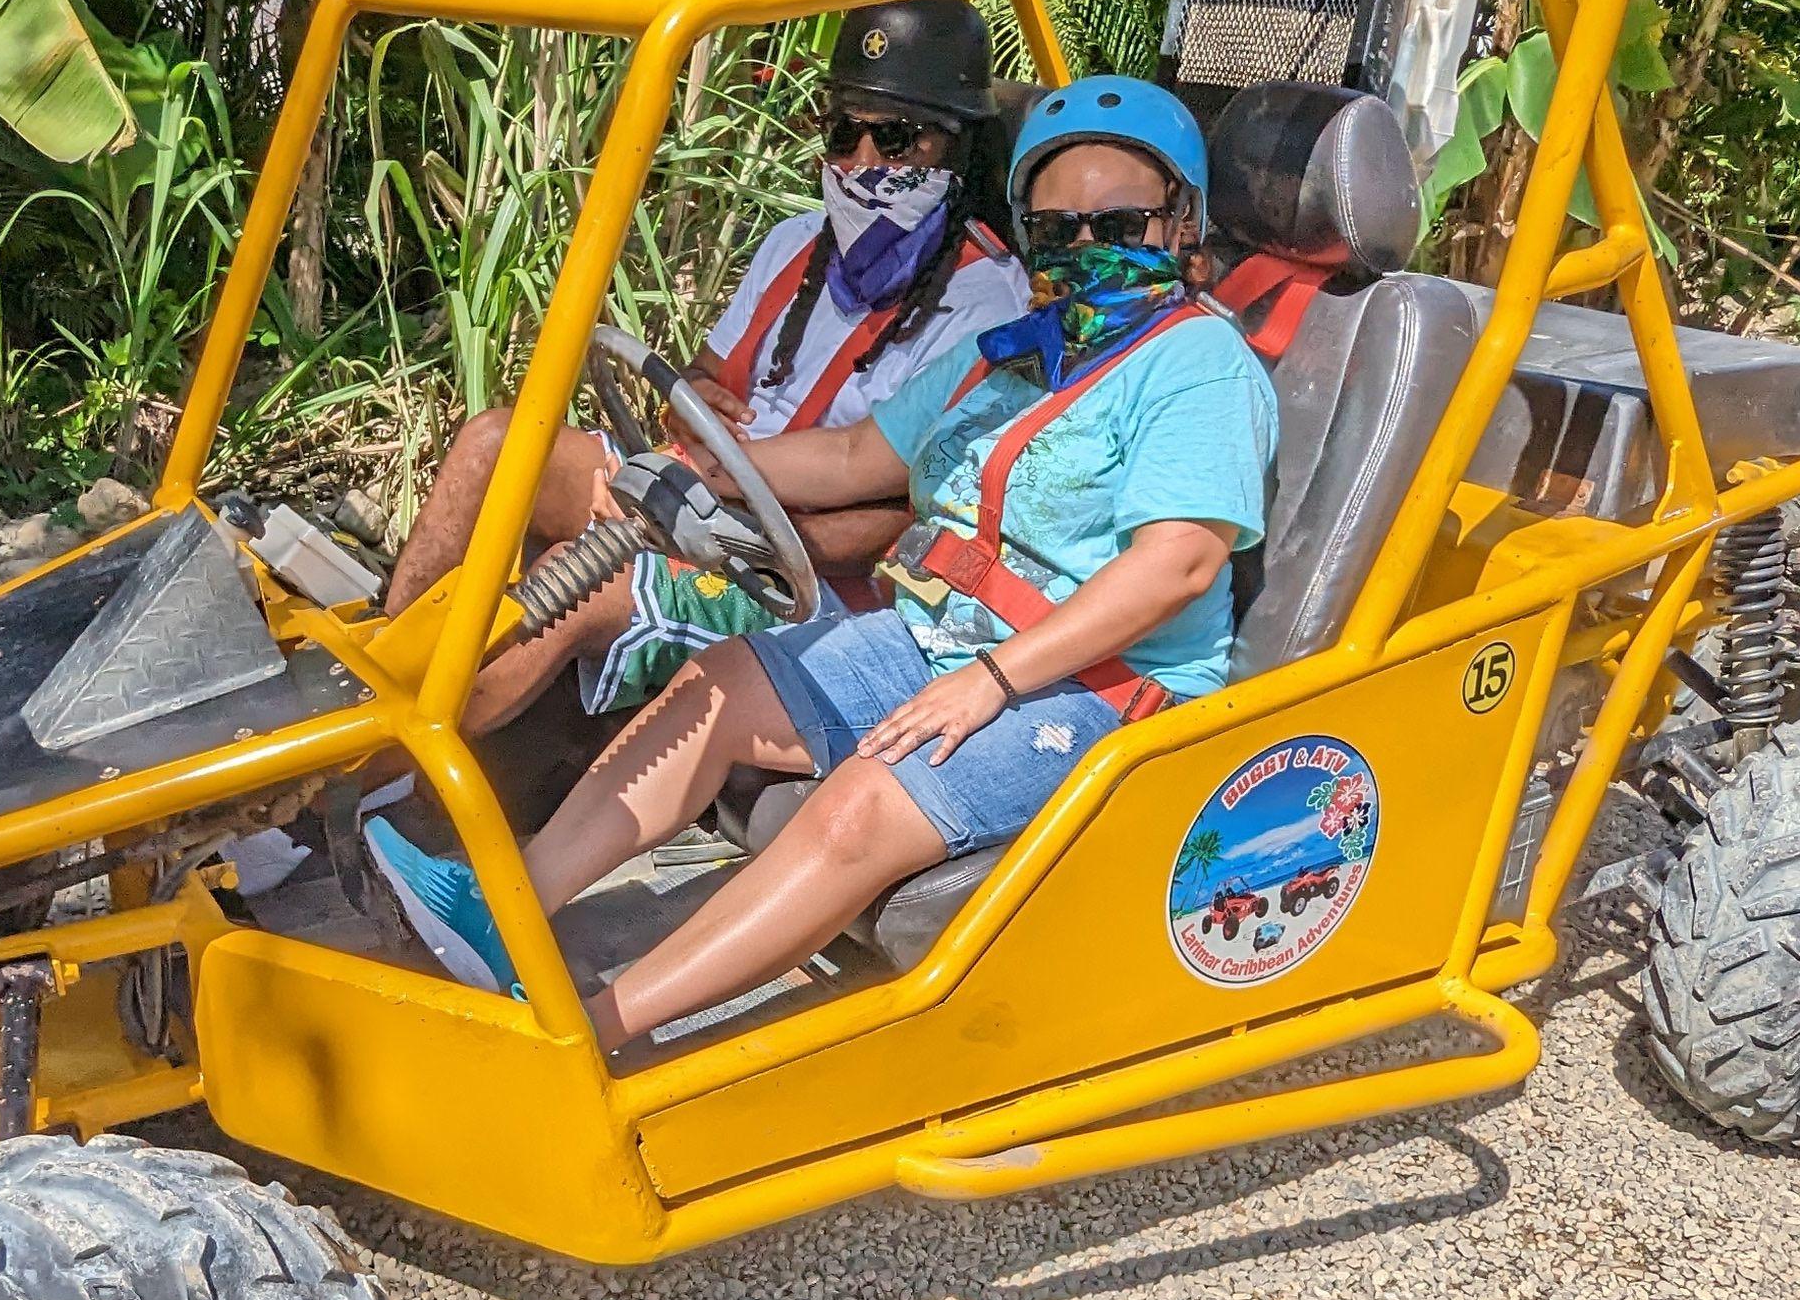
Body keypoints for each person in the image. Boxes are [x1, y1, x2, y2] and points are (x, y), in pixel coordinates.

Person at [368, 76, 1278, 1056]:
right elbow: (856, 458)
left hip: (1100, 683)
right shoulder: (1016, 351)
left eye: (1120, 221)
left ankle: (594, 1033)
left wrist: (993, 681)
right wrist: (712, 467)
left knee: (859, 807)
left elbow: (1179, 564)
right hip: (949, 633)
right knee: (717, 685)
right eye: (1058, 231)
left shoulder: (1198, 365)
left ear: (1182, 221)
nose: (1088, 249)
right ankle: (500, 914)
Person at [374, 0, 1030, 731]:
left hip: (801, 564)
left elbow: (914, 521)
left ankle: (398, 768)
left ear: (955, 148)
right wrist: (689, 404)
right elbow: (698, 376)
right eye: (845, 132)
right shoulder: (795, 243)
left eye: (898, 139)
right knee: (496, 446)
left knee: (583, 581)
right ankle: (377, 681)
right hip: (688, 481)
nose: (863, 163)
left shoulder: (985, 308)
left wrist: (716, 531)